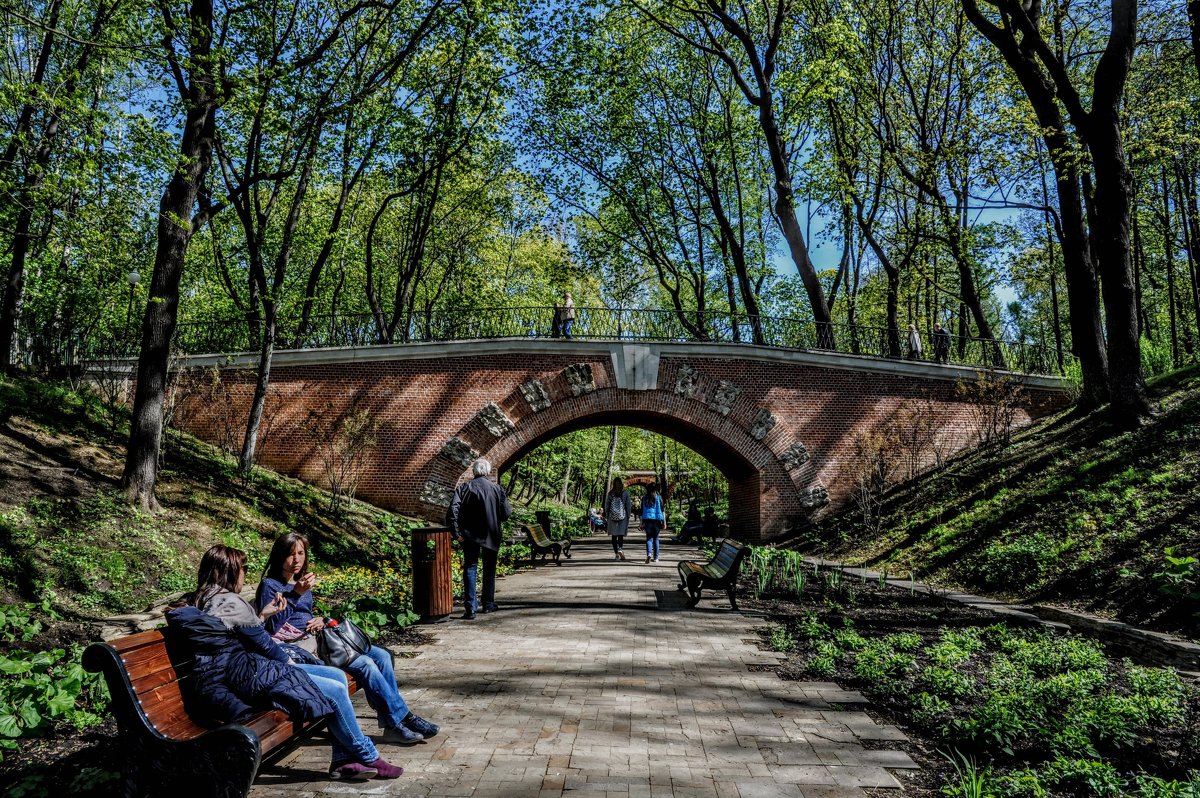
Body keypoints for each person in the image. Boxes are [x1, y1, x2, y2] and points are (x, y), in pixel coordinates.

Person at [175, 545, 403, 781]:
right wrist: (289, 663)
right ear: (230, 570)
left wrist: (263, 615)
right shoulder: (228, 601)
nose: (245, 572)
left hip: (245, 671)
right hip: (245, 677)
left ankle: (343, 760)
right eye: (243, 567)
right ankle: (367, 755)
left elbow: (242, 638)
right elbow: (262, 643)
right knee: (334, 689)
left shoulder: (208, 598)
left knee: (336, 676)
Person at [255, 532, 439, 746]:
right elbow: (271, 626)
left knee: (381, 656)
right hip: (303, 649)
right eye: (290, 554)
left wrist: (322, 619)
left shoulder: (300, 582)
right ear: (279, 556)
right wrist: (295, 594)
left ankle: (395, 720)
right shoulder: (270, 585)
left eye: (300, 553)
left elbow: (304, 615)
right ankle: (399, 722)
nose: (296, 560)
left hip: (320, 638)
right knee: (367, 664)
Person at [448, 458, 512, 619]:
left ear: (474, 471)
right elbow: (506, 514)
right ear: (488, 471)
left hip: (470, 536)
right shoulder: (497, 489)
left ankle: (471, 608)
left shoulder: (464, 488)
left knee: (470, 569)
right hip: (491, 535)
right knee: (489, 570)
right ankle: (488, 605)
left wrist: (457, 534)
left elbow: (452, 512)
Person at [603, 477, 632, 560]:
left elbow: (607, 505)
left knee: (614, 536)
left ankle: (616, 554)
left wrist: (607, 514)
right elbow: (628, 505)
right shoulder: (625, 493)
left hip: (612, 517)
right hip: (623, 517)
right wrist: (628, 515)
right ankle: (620, 549)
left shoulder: (610, 493)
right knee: (620, 535)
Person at [640, 483, 665, 563]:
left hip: (647, 520)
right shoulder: (659, 497)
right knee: (656, 538)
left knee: (649, 538)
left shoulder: (644, 498)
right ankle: (656, 558)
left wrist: (641, 523)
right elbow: (662, 510)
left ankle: (649, 554)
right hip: (657, 520)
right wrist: (664, 522)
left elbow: (642, 511)